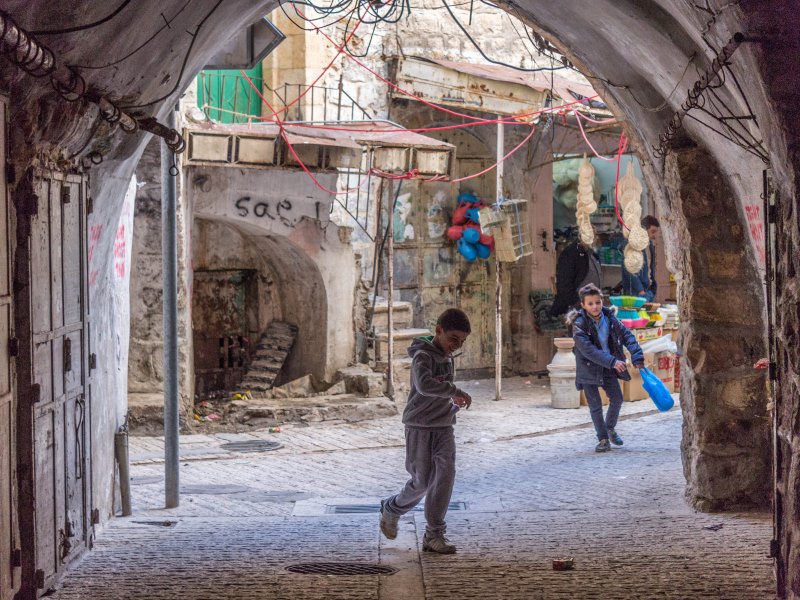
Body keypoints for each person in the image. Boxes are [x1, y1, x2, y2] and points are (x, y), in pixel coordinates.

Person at [379, 308, 472, 554]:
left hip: (444, 426)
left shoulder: (447, 356)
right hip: (419, 426)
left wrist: (451, 402)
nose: (456, 345)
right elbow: (424, 385)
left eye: (461, 341)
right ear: (438, 330)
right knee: (422, 482)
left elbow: (442, 390)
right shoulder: (422, 356)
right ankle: (392, 508)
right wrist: (454, 391)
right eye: (453, 338)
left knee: (444, 478)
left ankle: (434, 534)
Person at [570, 283, 645, 452]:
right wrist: (613, 361)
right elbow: (588, 351)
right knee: (595, 405)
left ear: (602, 301)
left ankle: (609, 428)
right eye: (590, 304)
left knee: (617, 399)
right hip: (588, 368)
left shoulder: (610, 318)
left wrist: (637, 356)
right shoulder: (579, 325)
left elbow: (627, 336)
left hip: (608, 367)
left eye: (597, 302)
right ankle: (603, 439)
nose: (595, 306)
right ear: (583, 305)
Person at [550, 238, 603, 317]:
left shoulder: (592, 254)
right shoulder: (571, 253)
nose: (594, 237)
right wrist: (573, 301)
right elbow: (564, 282)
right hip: (576, 307)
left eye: (594, 234)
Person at [621, 215, 660, 301]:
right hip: (635, 292)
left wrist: (653, 288)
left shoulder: (650, 246)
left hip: (648, 289)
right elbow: (629, 270)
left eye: (655, 232)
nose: (654, 236)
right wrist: (640, 290)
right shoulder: (632, 244)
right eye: (652, 232)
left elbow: (651, 267)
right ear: (644, 230)